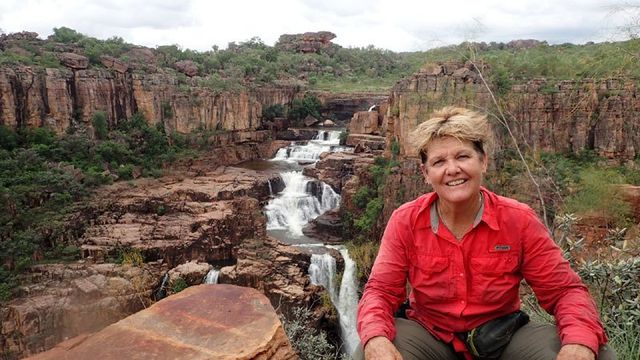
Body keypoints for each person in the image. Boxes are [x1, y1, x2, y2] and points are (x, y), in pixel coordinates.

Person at [356, 107, 615, 360]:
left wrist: (579, 343)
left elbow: (565, 291)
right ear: (426, 173)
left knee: (598, 353)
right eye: (439, 161)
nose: (452, 169)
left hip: (503, 337)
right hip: (428, 334)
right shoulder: (406, 221)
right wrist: (375, 337)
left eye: (463, 156)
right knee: (369, 351)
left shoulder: (517, 220)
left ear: (484, 161)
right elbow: (380, 291)